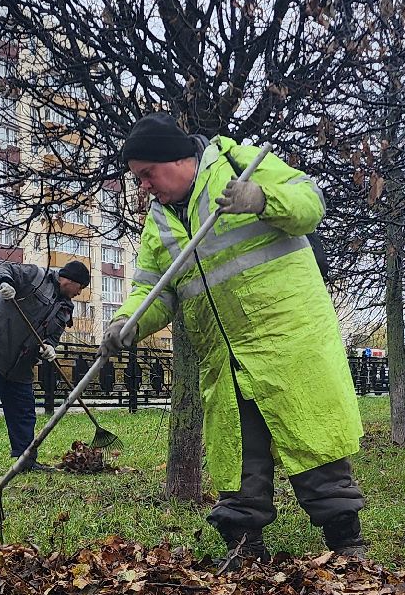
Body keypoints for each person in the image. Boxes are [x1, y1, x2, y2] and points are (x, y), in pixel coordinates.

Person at [103, 113, 366, 566]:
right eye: (138, 178)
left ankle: (347, 546)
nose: (144, 186)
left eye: (147, 174)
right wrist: (128, 322)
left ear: (179, 159)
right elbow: (155, 289)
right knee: (241, 461)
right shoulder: (160, 222)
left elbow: (309, 204)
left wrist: (260, 198)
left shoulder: (238, 163)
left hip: (288, 339)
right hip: (225, 356)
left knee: (314, 443)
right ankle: (245, 550)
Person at [0, 259, 88, 474]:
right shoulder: (35, 276)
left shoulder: (65, 307)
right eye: (80, 287)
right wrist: (3, 283)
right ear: (69, 280)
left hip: (21, 362)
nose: (80, 292)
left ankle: (25, 459)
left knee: (24, 411)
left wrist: (49, 346)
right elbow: (2, 269)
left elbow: (53, 335)